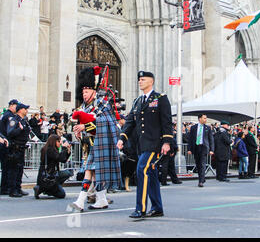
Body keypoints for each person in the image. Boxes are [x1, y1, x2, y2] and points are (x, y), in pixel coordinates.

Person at [117, 71, 173, 219]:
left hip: (154, 144)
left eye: (143, 79)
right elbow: (130, 122)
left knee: (142, 169)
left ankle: (140, 208)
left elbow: (166, 122)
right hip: (141, 145)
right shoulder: (137, 101)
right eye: (139, 79)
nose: (140, 82)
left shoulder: (160, 99)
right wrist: (122, 137)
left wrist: (167, 142)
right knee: (152, 174)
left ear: (151, 81)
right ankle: (157, 207)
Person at [70, 66, 122, 212]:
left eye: (86, 91)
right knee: (94, 173)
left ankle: (80, 201)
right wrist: (78, 130)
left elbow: (107, 122)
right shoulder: (83, 106)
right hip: (90, 145)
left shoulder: (102, 103)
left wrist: (85, 127)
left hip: (101, 143)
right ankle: (102, 199)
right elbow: (79, 121)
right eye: (82, 91)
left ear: (93, 91)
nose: (84, 94)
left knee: (89, 171)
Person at [34, 134, 73, 199]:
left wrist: (67, 151)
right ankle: (43, 188)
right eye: (59, 141)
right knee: (61, 193)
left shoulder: (51, 149)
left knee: (67, 174)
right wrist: (64, 148)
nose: (60, 143)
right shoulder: (49, 150)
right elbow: (59, 158)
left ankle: (50, 188)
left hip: (51, 174)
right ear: (54, 141)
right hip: (48, 175)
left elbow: (63, 160)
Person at [6, 102, 31, 198]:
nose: (26, 111)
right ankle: (12, 190)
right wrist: (19, 129)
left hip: (21, 148)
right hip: (15, 148)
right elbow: (10, 132)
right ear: (20, 110)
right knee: (14, 170)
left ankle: (18, 187)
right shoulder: (14, 119)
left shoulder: (23, 120)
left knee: (20, 169)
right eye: (25, 109)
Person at [187, 114, 214, 187]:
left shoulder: (208, 128)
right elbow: (190, 139)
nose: (205, 120)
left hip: (204, 147)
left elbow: (211, 139)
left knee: (202, 164)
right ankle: (202, 177)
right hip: (196, 147)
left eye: (206, 118)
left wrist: (212, 149)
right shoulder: (193, 128)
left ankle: (200, 181)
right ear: (199, 119)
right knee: (198, 164)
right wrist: (189, 149)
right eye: (204, 118)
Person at [0, 99, 18, 195]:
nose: (17, 108)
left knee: (5, 167)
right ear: (11, 105)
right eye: (16, 106)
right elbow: (9, 131)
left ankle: (4, 187)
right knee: (6, 167)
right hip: (6, 143)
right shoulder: (9, 116)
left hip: (3, 141)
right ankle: (4, 188)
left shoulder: (5, 114)